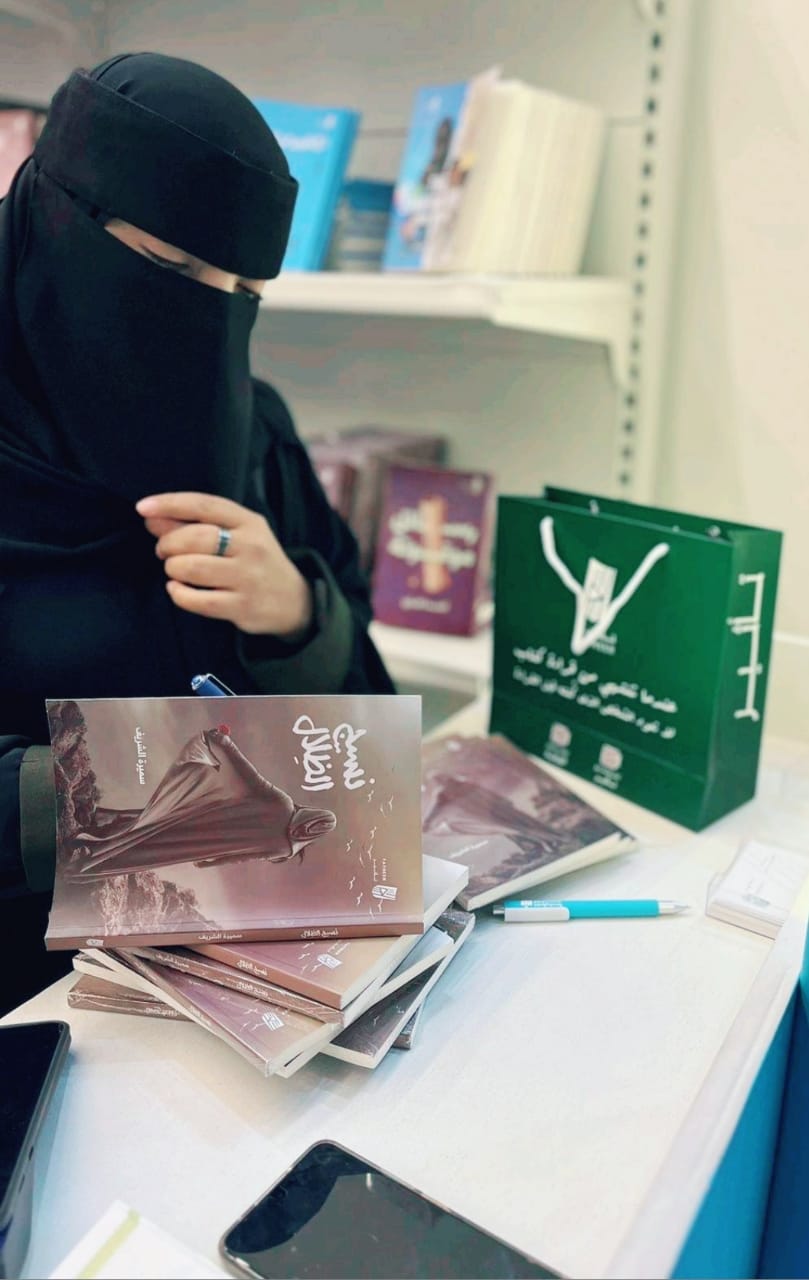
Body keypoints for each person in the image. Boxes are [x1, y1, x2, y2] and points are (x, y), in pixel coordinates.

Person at [0, 52, 394, 1014]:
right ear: (57, 218)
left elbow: (364, 720)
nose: (207, 314)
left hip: (258, 971)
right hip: (32, 1000)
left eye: (244, 289)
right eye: (171, 268)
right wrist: (123, 802)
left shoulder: (253, 432)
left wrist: (297, 614)